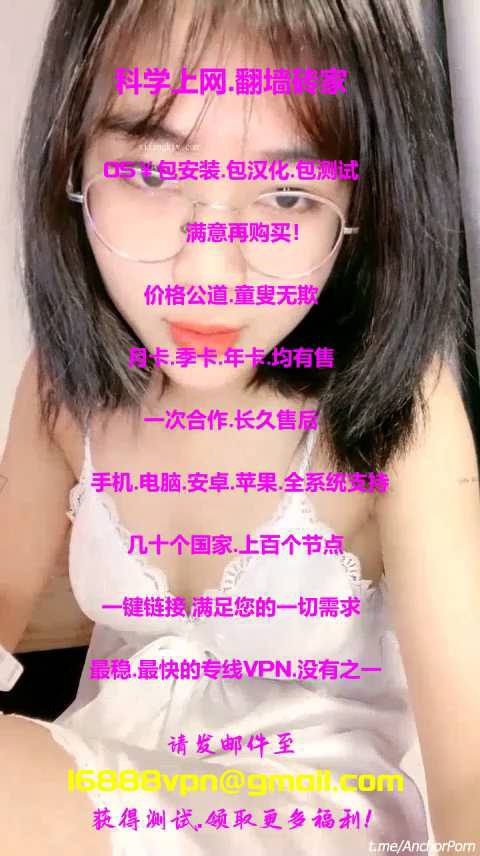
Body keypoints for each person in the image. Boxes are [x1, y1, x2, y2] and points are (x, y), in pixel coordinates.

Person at [1, 0, 479, 854]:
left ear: (361, 208)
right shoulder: (64, 392)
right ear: (70, 162)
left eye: (288, 195)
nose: (211, 271)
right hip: (94, 791)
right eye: (153, 177)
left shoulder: (396, 409)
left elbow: (471, 780)